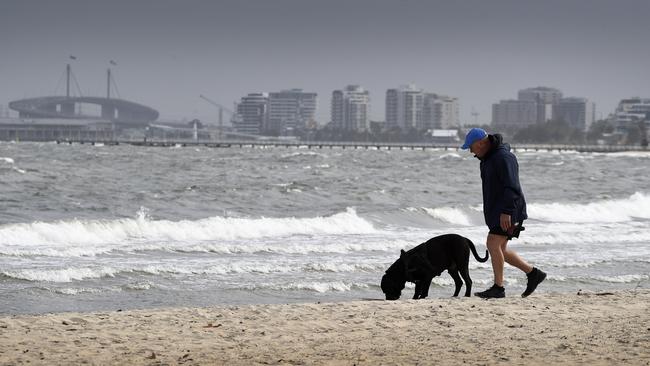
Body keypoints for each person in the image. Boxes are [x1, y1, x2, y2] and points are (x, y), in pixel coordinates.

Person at [461, 128, 546, 298]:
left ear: (481, 143)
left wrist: (507, 211)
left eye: (471, 147)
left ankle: (498, 288)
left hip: (509, 211)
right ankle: (533, 274)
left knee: (492, 243)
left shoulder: (503, 157)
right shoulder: (487, 159)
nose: (471, 151)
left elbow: (512, 186)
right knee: (500, 249)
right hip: (499, 211)